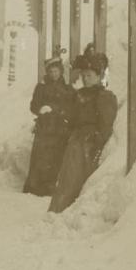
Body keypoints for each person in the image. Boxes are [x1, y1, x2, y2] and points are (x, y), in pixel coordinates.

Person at [48, 52, 118, 213]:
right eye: (83, 75)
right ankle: (59, 210)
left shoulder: (104, 96)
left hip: (90, 143)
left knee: (80, 178)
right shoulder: (79, 95)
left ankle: (77, 211)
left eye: (89, 75)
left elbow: (106, 123)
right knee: (67, 177)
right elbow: (72, 117)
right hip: (75, 141)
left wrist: (98, 140)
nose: (86, 78)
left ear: (98, 76)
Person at [23, 57, 74, 197]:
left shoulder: (67, 88)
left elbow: (71, 107)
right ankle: (35, 188)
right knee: (41, 158)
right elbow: (33, 106)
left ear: (61, 71)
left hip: (59, 130)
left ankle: (51, 188)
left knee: (55, 158)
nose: (54, 74)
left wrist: (60, 111)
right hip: (44, 128)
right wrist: (41, 109)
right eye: (51, 71)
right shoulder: (41, 88)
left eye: (56, 71)